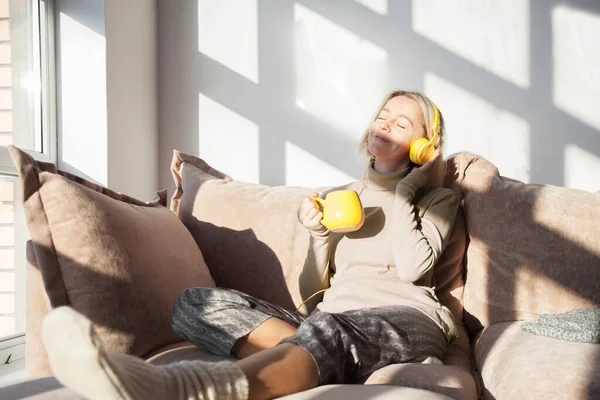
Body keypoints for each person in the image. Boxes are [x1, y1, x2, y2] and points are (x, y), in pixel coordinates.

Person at [41, 90, 460, 400]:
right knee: (192, 303)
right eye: (383, 115)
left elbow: (413, 269)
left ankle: (179, 389)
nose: (385, 124)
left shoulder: (437, 198)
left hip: (408, 318)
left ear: (425, 147)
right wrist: (318, 236)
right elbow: (314, 295)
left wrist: (408, 191)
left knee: (328, 331)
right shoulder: (341, 195)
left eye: (402, 124)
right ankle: (316, 358)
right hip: (331, 320)